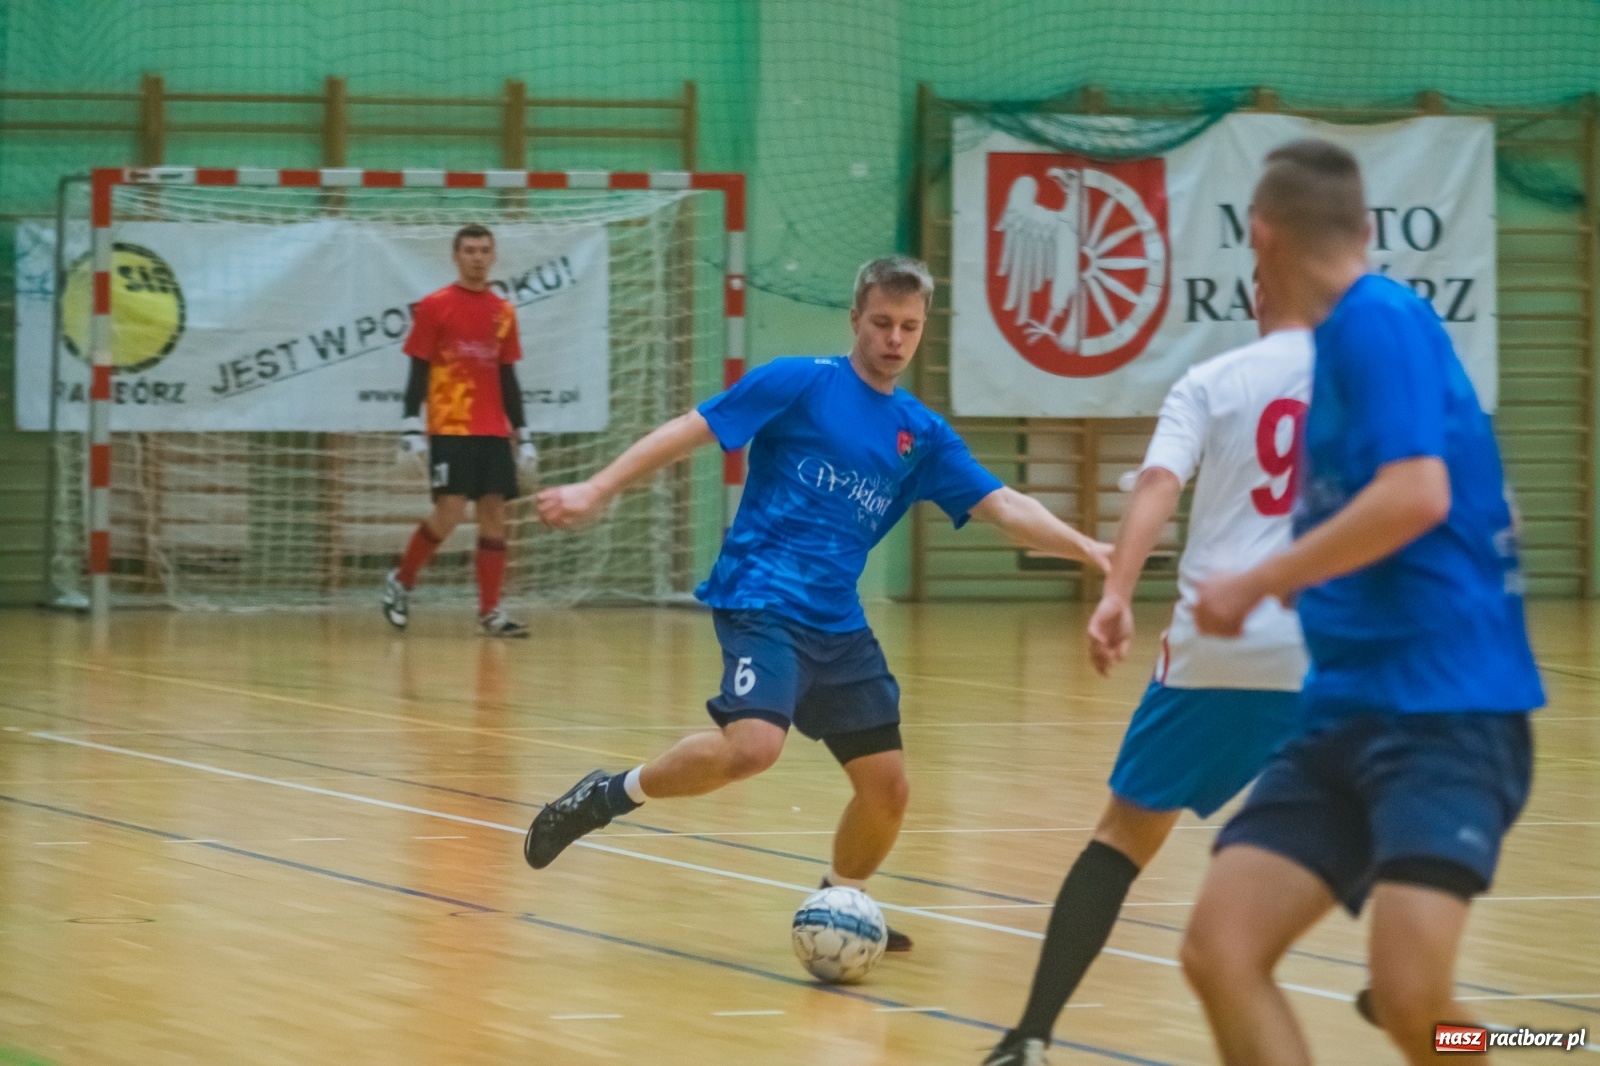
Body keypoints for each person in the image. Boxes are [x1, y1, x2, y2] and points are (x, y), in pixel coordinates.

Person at [522, 256, 1110, 955]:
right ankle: (608, 795)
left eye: (910, 327)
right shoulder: (800, 382)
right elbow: (692, 429)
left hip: (839, 622)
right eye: (883, 323)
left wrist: (1098, 554)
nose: (895, 338)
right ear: (856, 318)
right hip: (761, 596)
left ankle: (841, 903)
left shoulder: (920, 435)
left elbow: (1008, 508)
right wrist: (598, 487)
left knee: (887, 790)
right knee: (753, 748)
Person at [1180, 140, 1544, 1066]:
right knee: (1221, 948)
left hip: (1445, 716)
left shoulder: (1377, 317)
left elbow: (1417, 492)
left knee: (1421, 1005)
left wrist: (1260, 580)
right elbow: (1445, 490)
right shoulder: (1361, 342)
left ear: (1259, 237)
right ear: (1366, 227)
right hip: (1344, 713)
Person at [983, 287, 1312, 1066]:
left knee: (1122, 840)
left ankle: (1029, 1036)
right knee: (1365, 825)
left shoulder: (1212, 380)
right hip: (1331, 649)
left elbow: (1160, 486)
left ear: (1262, 280)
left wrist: (1118, 593)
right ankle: (1424, 990)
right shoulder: (1376, 377)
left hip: (1217, 649)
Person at [382, 223, 538, 638]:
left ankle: (490, 612)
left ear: (493, 256)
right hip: (451, 426)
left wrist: (523, 435)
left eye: (484, 250)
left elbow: (507, 377)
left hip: (492, 431)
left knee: (494, 516)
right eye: (469, 250)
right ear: (455, 256)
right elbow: (418, 367)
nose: (477, 257)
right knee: (449, 512)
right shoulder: (435, 307)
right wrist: (410, 425)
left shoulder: (503, 312)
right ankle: (402, 581)